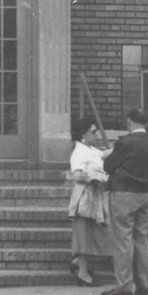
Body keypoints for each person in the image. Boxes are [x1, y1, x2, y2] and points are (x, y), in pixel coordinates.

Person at [99, 111, 148, 295]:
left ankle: (124, 286)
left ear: (130, 122)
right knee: (141, 239)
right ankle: (144, 285)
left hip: (123, 194)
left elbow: (108, 167)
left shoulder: (125, 142)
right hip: (144, 194)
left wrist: (109, 154)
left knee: (122, 240)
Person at [65, 121, 113, 284]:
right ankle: (83, 274)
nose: (96, 135)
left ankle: (78, 263)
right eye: (92, 132)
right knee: (84, 234)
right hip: (85, 196)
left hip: (95, 195)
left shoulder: (91, 150)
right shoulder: (79, 152)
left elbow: (103, 155)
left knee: (94, 233)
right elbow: (78, 175)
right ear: (83, 136)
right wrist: (95, 176)